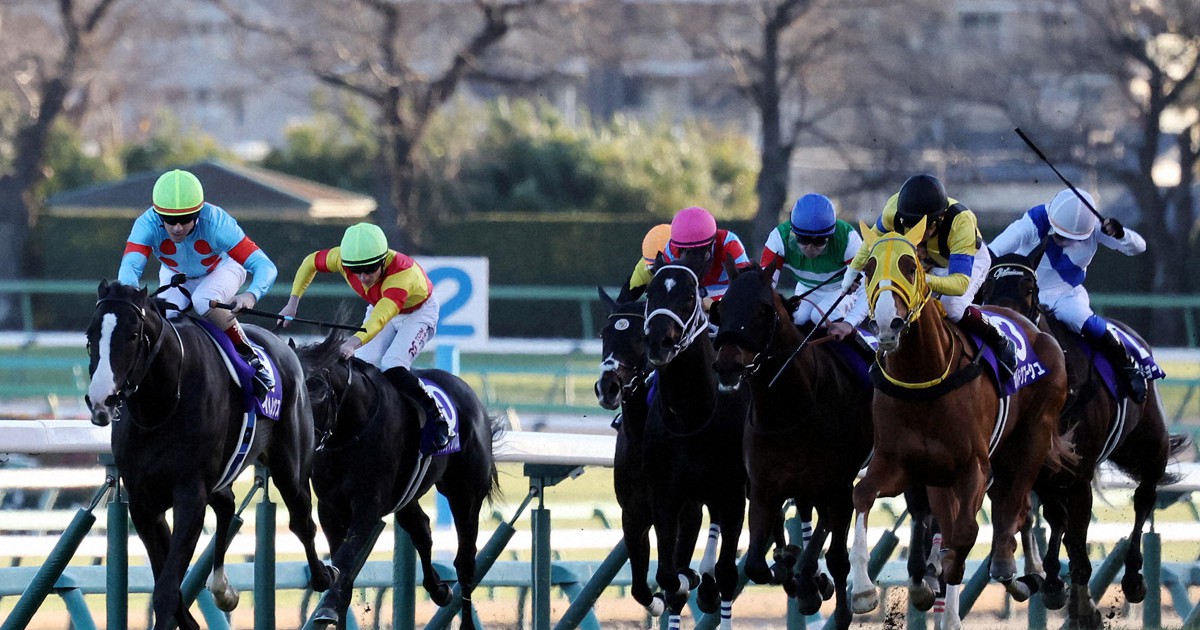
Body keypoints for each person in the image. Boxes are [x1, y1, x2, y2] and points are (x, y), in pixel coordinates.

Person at [279, 222, 451, 450]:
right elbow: (310, 262)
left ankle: (436, 416)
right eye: (355, 270)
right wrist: (293, 302)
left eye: (369, 270)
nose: (362, 277)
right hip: (381, 306)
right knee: (363, 366)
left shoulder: (402, 274)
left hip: (417, 313)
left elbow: (380, 317)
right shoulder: (340, 258)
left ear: (383, 261)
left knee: (392, 364)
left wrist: (352, 342)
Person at [118, 168, 277, 394]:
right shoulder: (146, 224)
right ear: (157, 214)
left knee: (203, 300)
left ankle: (250, 356)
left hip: (223, 268)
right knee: (161, 318)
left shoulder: (217, 223)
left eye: (185, 219)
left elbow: (265, 266)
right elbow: (130, 268)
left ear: (199, 212)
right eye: (170, 220)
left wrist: (251, 295)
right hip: (176, 274)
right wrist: (131, 298)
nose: (177, 228)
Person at [845, 174, 1019, 374]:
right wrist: (852, 272)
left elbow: (960, 283)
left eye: (926, 226)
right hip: (924, 261)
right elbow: (870, 243)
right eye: (910, 224)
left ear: (940, 218)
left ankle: (999, 339)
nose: (918, 232)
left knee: (951, 306)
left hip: (965, 262)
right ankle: (887, 353)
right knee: (901, 299)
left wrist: (922, 280)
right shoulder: (892, 211)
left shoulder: (961, 221)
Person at [989, 188, 1147, 401]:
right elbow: (992, 251)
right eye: (1059, 234)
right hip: (1021, 292)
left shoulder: (1096, 228)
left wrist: (1121, 235)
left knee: (1084, 321)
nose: (1062, 240)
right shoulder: (1034, 221)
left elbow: (1138, 248)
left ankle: (1127, 365)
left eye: (1069, 237)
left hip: (1065, 295)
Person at [761, 193, 867, 340]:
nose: (810, 248)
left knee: (820, 316)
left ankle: (867, 351)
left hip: (842, 291)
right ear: (793, 232)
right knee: (794, 319)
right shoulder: (778, 238)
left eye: (819, 241)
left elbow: (868, 288)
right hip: (806, 288)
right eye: (803, 240)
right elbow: (764, 287)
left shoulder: (848, 238)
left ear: (831, 236)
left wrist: (849, 324)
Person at [621, 207, 752, 309]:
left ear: (712, 243)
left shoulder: (730, 243)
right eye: (683, 251)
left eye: (699, 252)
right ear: (675, 245)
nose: (691, 259)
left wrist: (713, 303)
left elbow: (743, 289)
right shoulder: (670, 250)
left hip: (725, 297)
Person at [616, 223, 672, 303]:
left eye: (665, 268)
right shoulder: (644, 268)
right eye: (653, 269)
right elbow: (622, 304)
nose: (659, 273)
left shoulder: (692, 264)